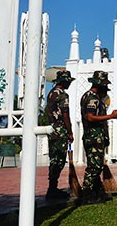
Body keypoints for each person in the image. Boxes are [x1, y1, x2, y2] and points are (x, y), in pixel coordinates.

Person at [81, 70, 117, 204]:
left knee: (95, 165)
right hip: (94, 136)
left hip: (94, 136)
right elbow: (90, 117)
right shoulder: (92, 98)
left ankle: (98, 193)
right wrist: (111, 116)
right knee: (94, 167)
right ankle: (85, 195)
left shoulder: (90, 97)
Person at [44, 69, 75, 199]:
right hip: (60, 130)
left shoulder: (51, 93)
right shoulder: (62, 95)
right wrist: (70, 131)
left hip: (51, 130)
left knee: (54, 159)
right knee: (59, 160)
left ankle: (52, 187)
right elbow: (65, 114)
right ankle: (52, 189)